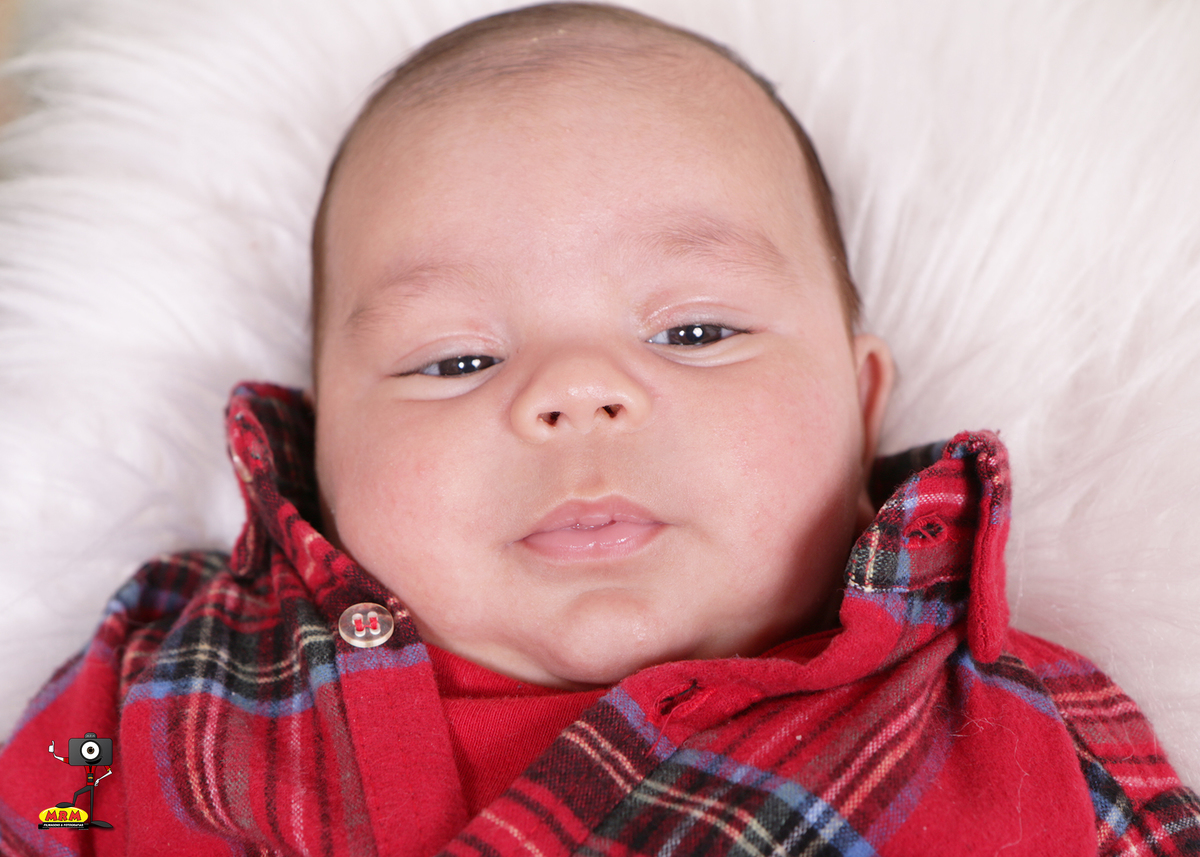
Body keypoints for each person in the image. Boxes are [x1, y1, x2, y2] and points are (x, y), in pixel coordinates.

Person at [1, 4, 1197, 855]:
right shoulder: (159, 679)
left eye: (696, 331)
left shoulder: (1009, 729)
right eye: (455, 358)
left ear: (862, 400)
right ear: (323, 443)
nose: (575, 394)